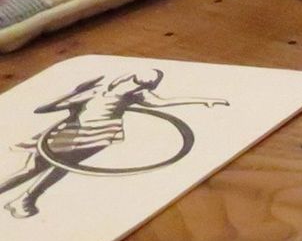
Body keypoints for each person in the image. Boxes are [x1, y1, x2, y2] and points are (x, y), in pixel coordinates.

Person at [0, 68, 226, 219]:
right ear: (128, 78)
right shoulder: (97, 91)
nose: (141, 89)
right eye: (139, 83)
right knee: (33, 167)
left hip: (99, 136)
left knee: (61, 168)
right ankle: (17, 195)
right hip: (73, 131)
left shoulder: (136, 96)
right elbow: (45, 109)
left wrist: (204, 99)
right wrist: (74, 93)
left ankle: (26, 199)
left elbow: (163, 104)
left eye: (147, 86)